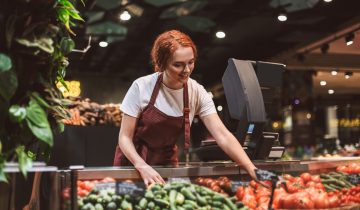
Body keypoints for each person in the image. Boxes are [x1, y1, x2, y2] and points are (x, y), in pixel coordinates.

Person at [114, 30, 258, 186]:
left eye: (191, 62)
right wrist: (141, 165)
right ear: (162, 64)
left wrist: (251, 168)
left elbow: (222, 135)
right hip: (133, 163)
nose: (187, 70)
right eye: (178, 65)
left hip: (166, 163)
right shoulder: (141, 87)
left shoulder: (196, 92)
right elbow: (124, 137)